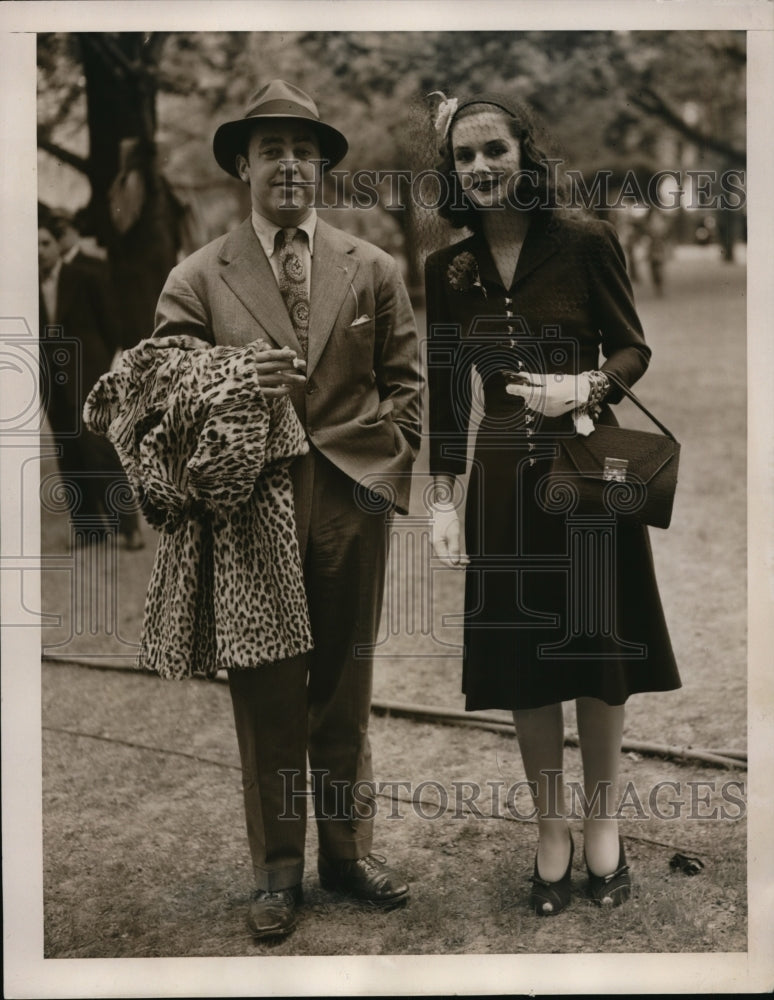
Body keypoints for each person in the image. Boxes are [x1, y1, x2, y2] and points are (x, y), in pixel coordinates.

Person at [150, 79, 423, 939]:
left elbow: (411, 388)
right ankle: (277, 871)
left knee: (345, 679)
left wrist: (381, 464)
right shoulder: (198, 275)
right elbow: (160, 394)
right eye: (273, 150)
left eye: (305, 151)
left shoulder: (372, 267)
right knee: (267, 684)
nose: (291, 165)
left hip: (350, 497)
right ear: (243, 165)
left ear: (323, 168)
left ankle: (346, 853)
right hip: (251, 508)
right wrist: (233, 382)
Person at [424, 92, 681, 915]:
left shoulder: (586, 242)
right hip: (500, 483)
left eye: (493, 149)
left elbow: (635, 345)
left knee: (600, 656)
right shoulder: (448, 271)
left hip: (588, 466)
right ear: (453, 173)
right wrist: (440, 498)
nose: (480, 167)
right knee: (524, 663)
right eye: (465, 158)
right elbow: (443, 394)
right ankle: (551, 832)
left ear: (522, 154)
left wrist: (592, 381)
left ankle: (604, 828)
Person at [38, 216, 144, 550]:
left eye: (45, 244)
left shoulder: (83, 278)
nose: (39, 252)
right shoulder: (24, 288)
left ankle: (128, 527)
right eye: (33, 246)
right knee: (68, 453)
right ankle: (89, 529)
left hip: (88, 377)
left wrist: (102, 369)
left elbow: (111, 325)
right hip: (53, 384)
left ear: (59, 246)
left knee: (99, 449)